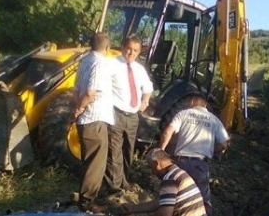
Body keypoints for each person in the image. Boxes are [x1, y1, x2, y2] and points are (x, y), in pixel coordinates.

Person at [158, 94, 230, 216]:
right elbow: (224, 145)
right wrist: (210, 150)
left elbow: (167, 132)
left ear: (191, 102)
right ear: (205, 105)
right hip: (200, 166)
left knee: (173, 197)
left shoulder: (183, 114)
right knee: (202, 199)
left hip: (181, 163)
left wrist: (161, 150)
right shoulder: (214, 119)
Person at [73, 32, 114, 214]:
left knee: (87, 160)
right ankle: (87, 203)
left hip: (85, 120)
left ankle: (83, 196)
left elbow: (76, 90)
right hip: (95, 118)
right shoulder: (100, 64)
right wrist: (81, 108)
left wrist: (78, 108)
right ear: (107, 48)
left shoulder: (84, 62)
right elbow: (90, 92)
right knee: (95, 164)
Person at [106, 36, 154, 193]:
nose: (131, 53)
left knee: (128, 150)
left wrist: (145, 102)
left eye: (135, 50)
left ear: (139, 52)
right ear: (122, 47)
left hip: (133, 117)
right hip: (116, 114)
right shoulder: (111, 64)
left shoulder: (139, 69)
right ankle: (114, 186)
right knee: (114, 152)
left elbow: (148, 88)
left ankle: (124, 181)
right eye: (129, 49)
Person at [121, 148, 207, 216]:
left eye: (151, 168)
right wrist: (133, 208)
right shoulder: (178, 173)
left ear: (156, 163)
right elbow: (162, 201)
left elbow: (164, 214)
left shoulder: (170, 179)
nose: (152, 172)